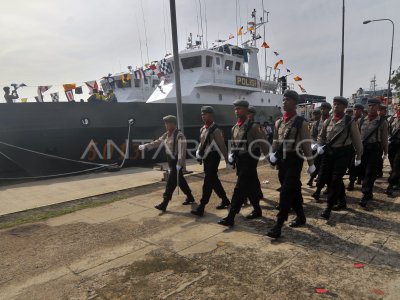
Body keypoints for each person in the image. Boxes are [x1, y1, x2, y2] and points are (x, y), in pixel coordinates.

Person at [266, 90, 315, 238]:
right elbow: (275, 140)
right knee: (293, 190)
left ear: (294, 102)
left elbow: (306, 144)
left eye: (287, 100)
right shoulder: (279, 122)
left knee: (286, 191)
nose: (284, 102)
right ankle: (301, 216)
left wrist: (311, 163)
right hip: (282, 160)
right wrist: (272, 154)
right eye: (283, 99)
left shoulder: (301, 122)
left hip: (295, 159)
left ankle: (278, 225)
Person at [217, 100, 269, 227]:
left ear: (246, 110)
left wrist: (270, 158)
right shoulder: (235, 127)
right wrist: (231, 155)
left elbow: (263, 143)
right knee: (250, 186)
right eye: (235, 109)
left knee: (239, 187)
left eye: (239, 109)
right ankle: (257, 210)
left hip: (250, 159)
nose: (237, 111)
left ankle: (231, 216)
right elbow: (235, 144)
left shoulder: (253, 126)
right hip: (240, 160)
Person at [317, 97, 363, 220]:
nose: (336, 106)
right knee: (327, 177)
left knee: (335, 179)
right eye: (335, 104)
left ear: (344, 107)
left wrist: (358, 156)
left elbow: (357, 141)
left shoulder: (349, 121)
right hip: (329, 153)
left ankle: (329, 206)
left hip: (343, 153)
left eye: (339, 104)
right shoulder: (328, 120)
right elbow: (321, 136)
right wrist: (319, 146)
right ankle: (342, 200)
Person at [138, 115, 195, 211]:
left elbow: (182, 151)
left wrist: (179, 164)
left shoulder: (179, 135)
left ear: (173, 123)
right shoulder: (167, 134)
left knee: (170, 183)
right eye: (165, 123)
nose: (166, 125)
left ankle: (164, 203)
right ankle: (190, 197)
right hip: (171, 162)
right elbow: (157, 142)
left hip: (176, 163)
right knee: (180, 181)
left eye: (168, 123)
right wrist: (146, 146)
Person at [191, 106, 231, 216]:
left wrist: (227, 161)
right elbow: (202, 142)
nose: (203, 116)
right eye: (202, 114)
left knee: (208, 181)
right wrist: (198, 152)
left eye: (206, 114)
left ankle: (202, 206)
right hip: (206, 158)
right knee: (214, 180)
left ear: (212, 115)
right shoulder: (203, 128)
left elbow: (222, 146)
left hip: (214, 156)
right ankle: (225, 200)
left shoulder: (216, 130)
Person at [358, 98, 388, 207]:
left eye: (374, 106)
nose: (371, 108)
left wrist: (385, 152)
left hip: (375, 149)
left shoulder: (382, 122)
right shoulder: (361, 120)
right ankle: (369, 192)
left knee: (370, 172)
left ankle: (365, 194)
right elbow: (357, 136)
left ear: (378, 107)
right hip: (362, 148)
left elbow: (384, 138)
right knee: (361, 171)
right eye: (369, 105)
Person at [311, 102, 332, 201]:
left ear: (329, 109)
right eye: (321, 109)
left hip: (329, 150)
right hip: (318, 150)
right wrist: (314, 144)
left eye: (325, 108)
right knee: (318, 168)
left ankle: (323, 188)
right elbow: (312, 135)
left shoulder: (333, 120)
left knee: (326, 170)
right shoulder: (316, 123)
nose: (322, 110)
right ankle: (318, 188)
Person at [347, 103, 365, 191]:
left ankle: (358, 178)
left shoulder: (364, 120)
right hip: (351, 146)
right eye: (354, 109)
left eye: (358, 109)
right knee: (352, 165)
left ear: (361, 111)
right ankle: (351, 181)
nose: (356, 111)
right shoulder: (350, 120)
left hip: (361, 145)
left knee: (359, 164)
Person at [386, 105, 400, 195]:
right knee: (393, 164)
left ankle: (391, 184)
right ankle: (397, 181)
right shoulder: (391, 118)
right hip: (392, 144)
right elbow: (386, 130)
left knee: (397, 165)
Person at [307, 108, 322, 187]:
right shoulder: (313, 124)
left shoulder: (325, 123)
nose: (315, 116)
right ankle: (312, 179)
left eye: (317, 114)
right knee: (314, 163)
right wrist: (313, 144)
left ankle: (313, 179)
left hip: (323, 148)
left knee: (320, 165)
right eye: (314, 114)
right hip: (315, 147)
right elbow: (311, 136)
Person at [376, 104, 388, 178]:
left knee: (379, 159)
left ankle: (379, 171)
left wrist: (385, 150)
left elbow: (385, 135)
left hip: (380, 143)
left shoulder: (385, 120)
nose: (379, 112)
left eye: (381, 110)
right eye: (378, 110)